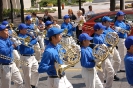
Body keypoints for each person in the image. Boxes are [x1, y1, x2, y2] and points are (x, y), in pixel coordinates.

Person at [16, 23, 39, 88]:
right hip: (25, 57)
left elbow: (32, 41)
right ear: (20, 30)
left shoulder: (27, 35)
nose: (26, 29)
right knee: (27, 75)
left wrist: (34, 37)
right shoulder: (19, 37)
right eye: (24, 29)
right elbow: (29, 44)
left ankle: (33, 85)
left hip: (32, 56)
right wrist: (36, 39)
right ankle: (28, 86)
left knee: (37, 70)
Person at [93, 23, 114, 88]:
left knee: (111, 72)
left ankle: (108, 86)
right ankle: (100, 86)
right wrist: (106, 47)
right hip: (100, 58)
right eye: (101, 29)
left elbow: (105, 43)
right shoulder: (96, 38)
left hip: (105, 56)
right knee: (101, 75)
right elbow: (99, 49)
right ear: (97, 30)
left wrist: (109, 44)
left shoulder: (101, 35)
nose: (103, 30)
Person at [102, 16, 121, 81]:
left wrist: (117, 32)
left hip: (113, 47)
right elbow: (104, 40)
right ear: (104, 22)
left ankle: (113, 74)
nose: (110, 22)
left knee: (118, 60)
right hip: (108, 47)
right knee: (109, 63)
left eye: (110, 21)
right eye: (108, 21)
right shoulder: (102, 30)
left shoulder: (110, 28)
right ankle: (107, 77)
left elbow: (115, 36)